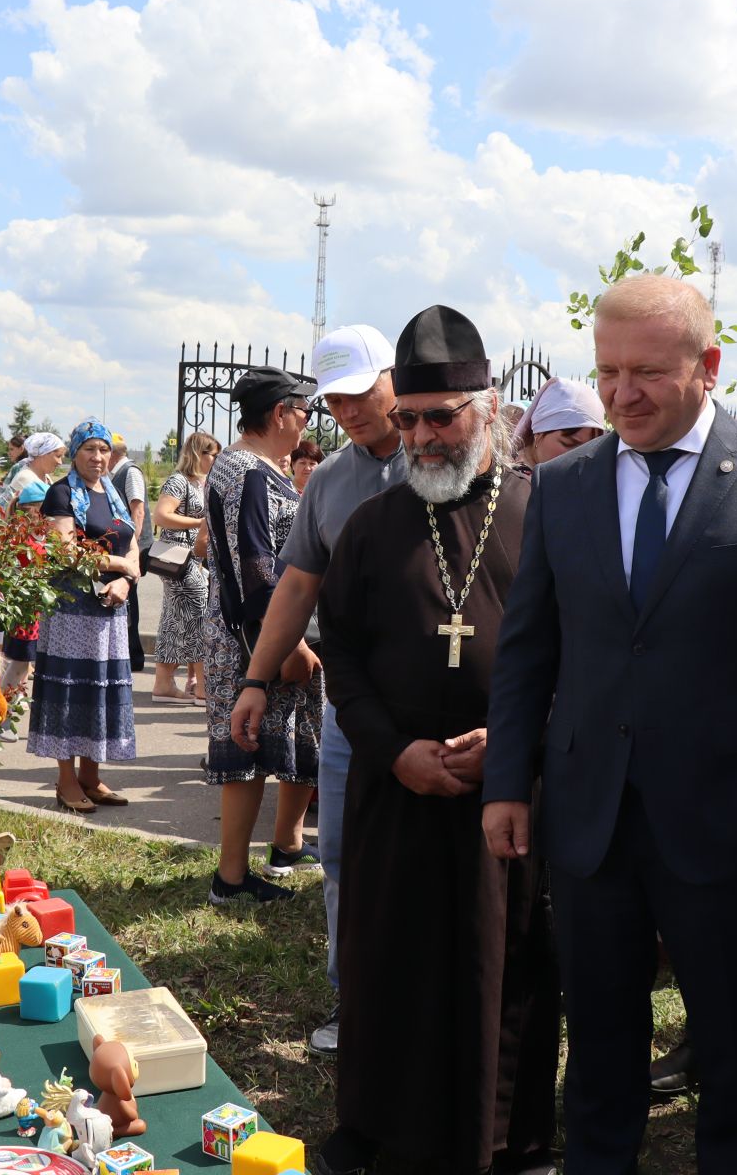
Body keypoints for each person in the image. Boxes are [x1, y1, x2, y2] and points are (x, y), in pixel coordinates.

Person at [485, 275, 737, 1174]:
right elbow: (530, 650)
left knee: (733, 1041)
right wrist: (507, 781)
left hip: (727, 820)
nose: (621, 395)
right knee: (602, 1034)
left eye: (646, 371)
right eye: (606, 372)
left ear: (708, 366)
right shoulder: (563, 486)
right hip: (589, 817)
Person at [315, 305, 558, 1175]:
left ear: (486, 410)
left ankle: (505, 1138)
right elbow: (339, 650)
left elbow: (582, 655)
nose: (420, 436)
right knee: (390, 959)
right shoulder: (374, 529)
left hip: (506, 791)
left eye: (440, 416)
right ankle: (379, 1126)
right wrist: (392, 750)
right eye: (408, 418)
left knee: (508, 963)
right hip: (398, 784)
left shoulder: (546, 516)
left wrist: (518, 739)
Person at [230, 324, 405, 1055]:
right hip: (351, 705)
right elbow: (297, 583)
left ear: (393, 377)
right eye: (334, 397)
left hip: (438, 703)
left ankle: (426, 999)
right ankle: (354, 998)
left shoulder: (446, 462)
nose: (349, 408)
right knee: (342, 857)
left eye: (362, 390)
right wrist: (255, 679)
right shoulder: (330, 479)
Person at [203, 368, 321, 904]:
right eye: (303, 411)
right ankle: (230, 878)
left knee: (267, 744)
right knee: (244, 749)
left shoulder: (244, 465)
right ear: (280, 413)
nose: (305, 422)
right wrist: (286, 646)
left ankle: (277, 851)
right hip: (252, 636)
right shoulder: (249, 471)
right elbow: (255, 566)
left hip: (257, 630)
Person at [28, 419, 140, 814]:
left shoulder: (112, 494)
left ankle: (91, 777)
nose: (98, 457)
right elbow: (64, 551)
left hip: (110, 609)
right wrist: (119, 567)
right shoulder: (61, 493)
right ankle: (66, 780)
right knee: (72, 688)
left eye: (104, 449)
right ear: (74, 453)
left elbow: (133, 546)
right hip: (72, 610)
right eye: (90, 449)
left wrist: (125, 581)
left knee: (100, 690)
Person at [151, 431, 219, 704]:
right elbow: (161, 515)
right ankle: (202, 687)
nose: (216, 458)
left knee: (173, 620)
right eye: (212, 453)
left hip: (191, 559)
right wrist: (199, 523)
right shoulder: (179, 481)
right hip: (179, 557)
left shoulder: (203, 481)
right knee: (203, 614)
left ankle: (163, 684)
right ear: (198, 453)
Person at [0, 431, 67, 695]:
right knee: (19, 650)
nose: (60, 462)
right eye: (57, 455)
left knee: (20, 652)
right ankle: (6, 702)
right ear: (42, 454)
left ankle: (12, 695)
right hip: (25, 571)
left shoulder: (38, 477)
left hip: (28, 570)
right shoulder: (28, 482)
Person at [108, 436, 152, 673]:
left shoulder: (129, 471)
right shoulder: (117, 472)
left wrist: (131, 545)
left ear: (113, 453)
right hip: (125, 547)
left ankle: (134, 657)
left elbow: (138, 510)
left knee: (130, 602)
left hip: (132, 547)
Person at [511, 377, 606, 465]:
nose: (579, 457)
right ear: (538, 433)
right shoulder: (514, 481)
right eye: (569, 444)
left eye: (590, 449)